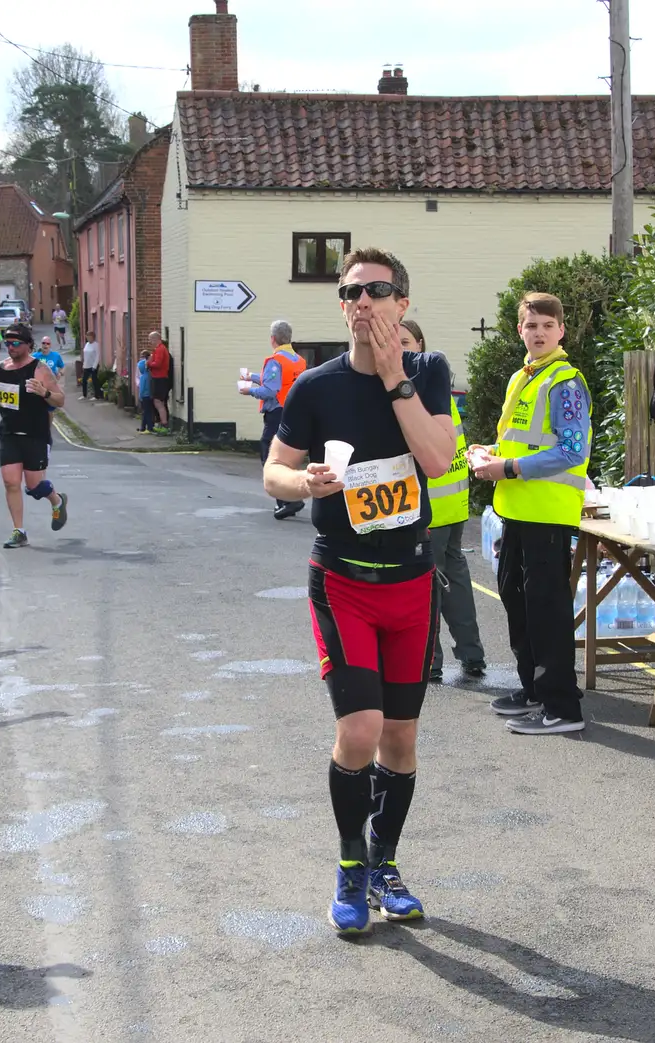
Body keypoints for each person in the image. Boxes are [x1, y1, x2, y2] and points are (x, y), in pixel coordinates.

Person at [263, 247, 455, 935]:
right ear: (341, 306)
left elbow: (437, 458)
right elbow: (272, 474)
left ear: (403, 302)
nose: (365, 301)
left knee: (400, 739)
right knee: (361, 729)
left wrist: (397, 378)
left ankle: (385, 863)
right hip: (342, 579)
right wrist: (305, 482)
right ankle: (349, 866)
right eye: (353, 292)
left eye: (379, 290)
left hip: (410, 580)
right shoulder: (315, 387)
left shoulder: (429, 372)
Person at [468, 293, 590, 736]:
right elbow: (525, 441)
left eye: (547, 325)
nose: (538, 332)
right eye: (531, 325)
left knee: (546, 611)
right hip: (517, 510)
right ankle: (534, 690)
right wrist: (492, 453)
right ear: (520, 330)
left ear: (561, 331)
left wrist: (509, 467)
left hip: (547, 515)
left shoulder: (564, 381)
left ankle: (562, 707)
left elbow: (573, 450)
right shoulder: (525, 377)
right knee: (518, 605)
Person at [400, 320, 485, 684]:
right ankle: (471, 654)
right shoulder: (438, 391)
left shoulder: (411, 395)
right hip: (452, 506)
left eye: (405, 342)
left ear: (420, 344)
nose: (399, 350)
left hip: (429, 508)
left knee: (425, 587)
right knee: (455, 582)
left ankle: (429, 662)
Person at [0, 321, 70, 547]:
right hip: (9, 433)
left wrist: (45, 392)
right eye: (7, 343)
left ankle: (57, 500)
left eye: (15, 343)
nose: (10, 347)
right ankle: (19, 531)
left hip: (35, 433)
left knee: (33, 487)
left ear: (28, 346)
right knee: (11, 482)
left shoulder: (39, 369)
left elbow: (60, 400)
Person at [242, 319, 308, 520]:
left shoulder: (275, 360)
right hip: (294, 412)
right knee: (287, 457)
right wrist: (252, 376)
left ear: (273, 339)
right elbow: (280, 380)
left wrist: (248, 390)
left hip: (276, 414)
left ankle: (287, 501)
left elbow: (270, 389)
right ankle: (291, 498)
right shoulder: (298, 360)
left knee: (270, 457)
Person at [147, 331, 173, 433]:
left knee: (158, 402)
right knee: (158, 401)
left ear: (155, 339)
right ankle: (163, 423)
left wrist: (149, 363)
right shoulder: (159, 349)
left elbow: (157, 364)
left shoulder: (160, 349)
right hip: (158, 378)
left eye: (150, 339)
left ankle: (164, 424)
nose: (150, 342)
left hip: (160, 378)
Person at [136, 348, 156, 433]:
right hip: (150, 395)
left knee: (145, 412)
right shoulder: (150, 374)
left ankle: (148, 427)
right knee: (149, 411)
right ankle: (143, 427)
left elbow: (142, 388)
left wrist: (140, 396)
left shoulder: (143, 377)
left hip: (145, 396)